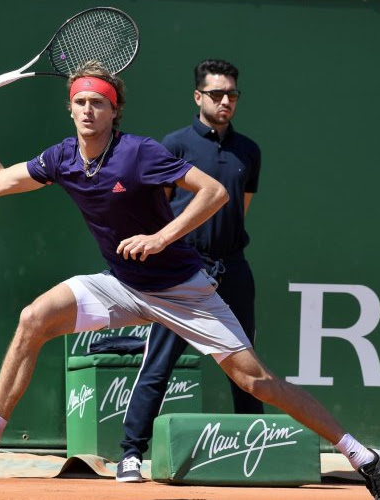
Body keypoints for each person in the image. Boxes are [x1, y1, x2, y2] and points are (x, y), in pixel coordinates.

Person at [0, 60, 380, 500]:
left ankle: (363, 457)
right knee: (34, 318)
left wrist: (160, 237)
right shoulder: (62, 158)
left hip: (181, 289)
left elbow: (214, 193)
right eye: (81, 102)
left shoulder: (139, 154)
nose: (89, 110)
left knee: (257, 381)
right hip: (123, 284)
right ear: (69, 108)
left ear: (115, 111)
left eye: (99, 103)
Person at [116, 59, 264, 483]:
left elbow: (241, 210)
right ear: (198, 97)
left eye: (232, 94)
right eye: (216, 94)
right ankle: (129, 454)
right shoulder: (175, 144)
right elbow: (159, 206)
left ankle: (256, 447)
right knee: (158, 364)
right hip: (182, 269)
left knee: (248, 367)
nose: (225, 101)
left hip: (233, 267)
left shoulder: (249, 151)